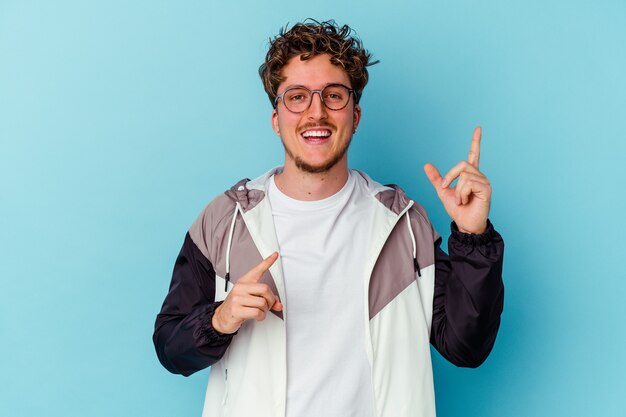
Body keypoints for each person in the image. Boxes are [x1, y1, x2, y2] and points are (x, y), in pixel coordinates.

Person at [153, 19, 504, 417]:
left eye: (333, 96)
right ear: (276, 119)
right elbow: (170, 348)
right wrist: (221, 317)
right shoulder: (225, 221)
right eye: (297, 96)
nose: (316, 113)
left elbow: (465, 347)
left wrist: (472, 236)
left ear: (355, 115)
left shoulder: (403, 223)